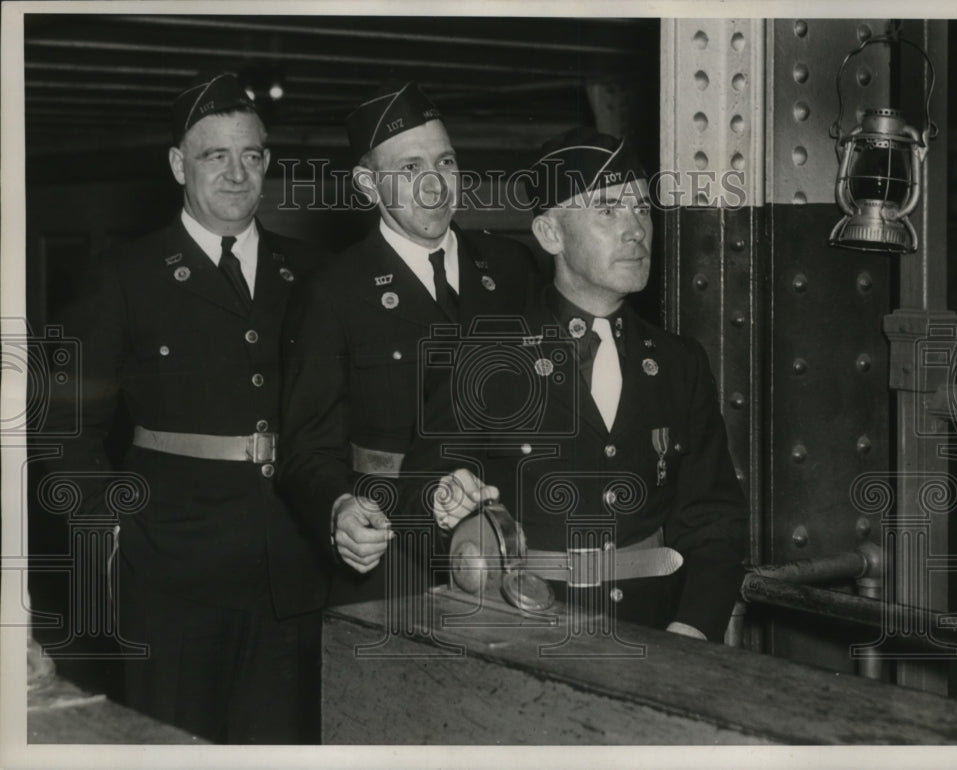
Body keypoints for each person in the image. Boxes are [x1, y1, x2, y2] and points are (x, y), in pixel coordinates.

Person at [47, 72, 330, 742]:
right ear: (179, 165)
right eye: (215, 156)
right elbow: (67, 426)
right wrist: (104, 545)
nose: (236, 174)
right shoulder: (125, 275)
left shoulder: (313, 272)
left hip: (291, 565)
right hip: (168, 567)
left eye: (251, 156)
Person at [405, 127, 748, 643]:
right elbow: (415, 494)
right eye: (607, 210)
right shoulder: (485, 356)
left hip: (658, 630)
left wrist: (692, 627)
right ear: (550, 235)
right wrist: (442, 501)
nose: (635, 229)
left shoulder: (680, 364)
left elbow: (713, 519)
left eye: (641, 208)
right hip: (524, 628)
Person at [278, 82, 539, 604]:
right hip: (392, 556)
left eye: (445, 163)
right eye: (411, 169)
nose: (436, 187)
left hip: (511, 543)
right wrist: (338, 508)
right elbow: (307, 448)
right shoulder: (334, 291)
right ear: (367, 184)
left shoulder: (512, 268)